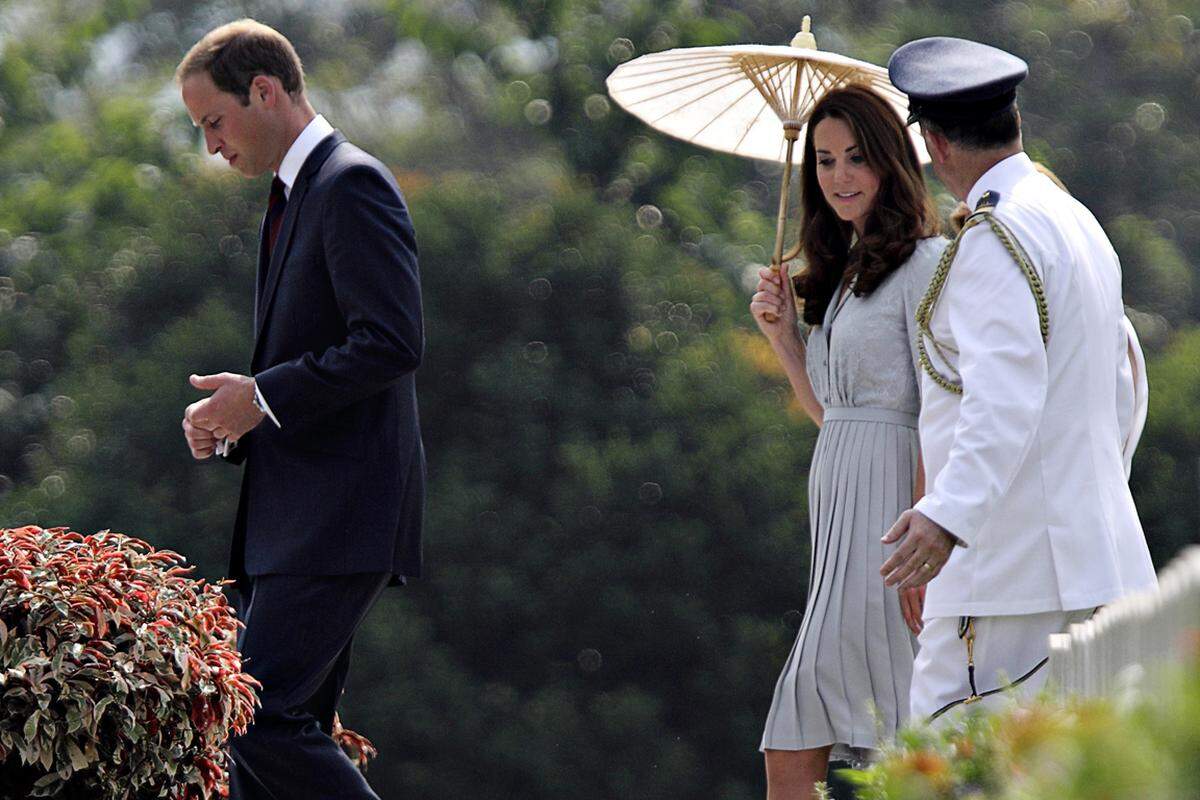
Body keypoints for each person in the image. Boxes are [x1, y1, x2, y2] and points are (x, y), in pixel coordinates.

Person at [176, 19, 424, 799]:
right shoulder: (298, 192)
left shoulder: (349, 182)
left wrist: (265, 396)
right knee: (270, 737)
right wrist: (235, 412)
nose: (212, 146)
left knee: (251, 715)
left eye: (213, 122)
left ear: (266, 90)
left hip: (335, 517)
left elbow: (391, 340)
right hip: (298, 520)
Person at [881, 37, 1156, 722]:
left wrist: (947, 518)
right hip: (1090, 559)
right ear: (1016, 123)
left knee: (943, 769)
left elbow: (1001, 403)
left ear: (936, 145)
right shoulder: (1076, 221)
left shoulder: (995, 238)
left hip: (1006, 578)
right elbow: (1125, 388)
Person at [750, 85, 946, 799]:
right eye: (826, 160)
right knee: (799, 739)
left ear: (892, 160)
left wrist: (928, 531)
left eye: (857, 157)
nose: (839, 176)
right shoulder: (847, 274)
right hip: (836, 526)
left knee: (903, 733)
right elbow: (836, 415)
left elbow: (938, 409)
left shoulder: (927, 265)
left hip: (892, 521)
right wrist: (785, 343)